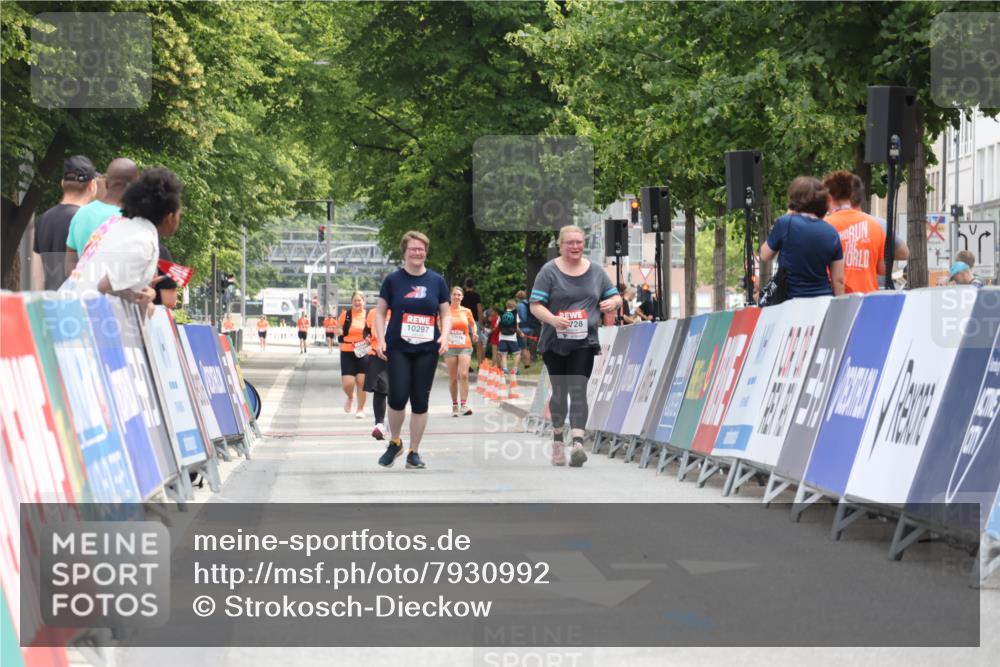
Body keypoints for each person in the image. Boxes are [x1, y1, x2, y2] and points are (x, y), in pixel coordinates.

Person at [529, 224, 621, 467]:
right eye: (570, 242)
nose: (575, 247)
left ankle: (578, 443)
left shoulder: (595, 271)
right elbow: (535, 304)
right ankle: (558, 438)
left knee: (578, 388)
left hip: (584, 340)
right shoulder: (548, 271)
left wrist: (613, 302)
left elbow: (615, 295)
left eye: (579, 242)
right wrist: (553, 320)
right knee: (559, 391)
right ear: (560, 245)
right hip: (554, 340)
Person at [374, 231, 450, 469]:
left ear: (426, 252)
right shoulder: (393, 280)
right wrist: (380, 339)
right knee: (397, 397)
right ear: (404, 252)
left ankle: (413, 452)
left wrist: (445, 336)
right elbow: (379, 312)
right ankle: (395, 442)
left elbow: (446, 313)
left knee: (420, 400)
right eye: (413, 249)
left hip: (427, 349)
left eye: (421, 249)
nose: (417, 253)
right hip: (398, 347)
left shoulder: (437, 281)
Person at [61, 167, 182, 313]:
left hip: (67, 309)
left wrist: (147, 292)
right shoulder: (143, 240)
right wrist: (139, 298)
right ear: (169, 217)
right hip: (84, 319)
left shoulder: (117, 225)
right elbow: (105, 286)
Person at [759, 176, 846, 299]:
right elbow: (838, 280)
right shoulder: (831, 232)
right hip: (823, 302)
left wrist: (788, 214)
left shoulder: (785, 223)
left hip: (791, 303)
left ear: (794, 199)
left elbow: (765, 255)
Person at [33, 155, 98, 290]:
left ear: (62, 183)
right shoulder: (90, 220)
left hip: (50, 304)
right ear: (92, 185)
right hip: (78, 304)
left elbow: (37, 275)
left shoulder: (43, 219)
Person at [65, 157, 139, 275]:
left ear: (106, 183)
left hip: (83, 291)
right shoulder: (135, 220)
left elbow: (69, 267)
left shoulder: (81, 214)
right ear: (135, 186)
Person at [822, 170, 886, 294]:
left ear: (830, 197)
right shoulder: (875, 225)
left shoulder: (825, 225)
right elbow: (882, 269)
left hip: (836, 299)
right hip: (868, 300)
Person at [334, 291, 369, 418]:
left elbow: (374, 330)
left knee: (361, 381)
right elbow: (337, 329)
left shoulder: (368, 315)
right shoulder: (346, 315)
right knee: (348, 383)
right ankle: (350, 396)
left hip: (363, 350)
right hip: (347, 350)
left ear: (364, 302)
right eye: (355, 300)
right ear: (351, 302)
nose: (357, 302)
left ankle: (360, 409)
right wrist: (338, 331)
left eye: (360, 300)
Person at [445, 286, 477, 416]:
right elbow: (439, 325)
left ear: (462, 297)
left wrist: (474, 333)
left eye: (459, 295)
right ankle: (454, 405)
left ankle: (464, 404)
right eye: (454, 294)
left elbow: (473, 324)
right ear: (450, 296)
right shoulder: (445, 311)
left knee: (464, 375)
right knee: (453, 378)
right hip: (450, 347)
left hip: (465, 345)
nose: (457, 297)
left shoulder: (466, 311)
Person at [365, 307, 391, 440]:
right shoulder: (373, 312)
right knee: (380, 389)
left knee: (396, 391)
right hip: (376, 354)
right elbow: (366, 330)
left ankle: (392, 424)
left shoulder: (400, 310)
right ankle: (379, 424)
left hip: (396, 356)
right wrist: (367, 337)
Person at [461, 278, 485, 367]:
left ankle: (467, 366)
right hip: (474, 321)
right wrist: (482, 324)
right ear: (473, 286)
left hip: (463, 321)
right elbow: (479, 310)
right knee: (479, 343)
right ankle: (480, 365)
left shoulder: (462, 296)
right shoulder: (476, 296)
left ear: (465, 285)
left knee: (466, 344)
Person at [497, 298, 522, 378]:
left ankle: (505, 369)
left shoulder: (502, 314)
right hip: (512, 338)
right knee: (517, 353)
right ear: (514, 306)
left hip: (502, 337)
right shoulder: (515, 314)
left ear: (506, 306)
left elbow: (497, 325)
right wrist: (521, 333)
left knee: (503, 354)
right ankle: (514, 369)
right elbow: (517, 327)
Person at [516, 289, 538, 368]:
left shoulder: (519, 305)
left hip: (523, 328)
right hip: (531, 327)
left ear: (518, 297)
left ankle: (526, 364)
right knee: (527, 347)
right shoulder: (528, 303)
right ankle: (528, 362)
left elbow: (522, 318)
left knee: (523, 347)